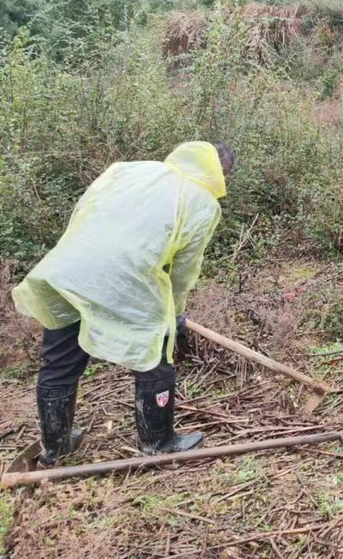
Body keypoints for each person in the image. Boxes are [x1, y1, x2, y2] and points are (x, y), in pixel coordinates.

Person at [12, 141, 235, 466]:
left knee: (58, 363)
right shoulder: (201, 201)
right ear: (220, 172)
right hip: (124, 279)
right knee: (155, 353)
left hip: (66, 271)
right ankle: (160, 443)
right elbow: (184, 271)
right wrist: (174, 313)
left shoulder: (128, 170)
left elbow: (84, 212)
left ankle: (56, 447)